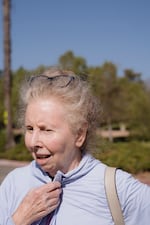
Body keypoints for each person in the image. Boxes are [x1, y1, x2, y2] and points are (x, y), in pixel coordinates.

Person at [0, 68, 150, 225]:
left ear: (79, 134)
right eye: (30, 129)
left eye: (46, 130)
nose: (32, 142)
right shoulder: (14, 182)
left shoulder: (120, 189)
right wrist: (19, 220)